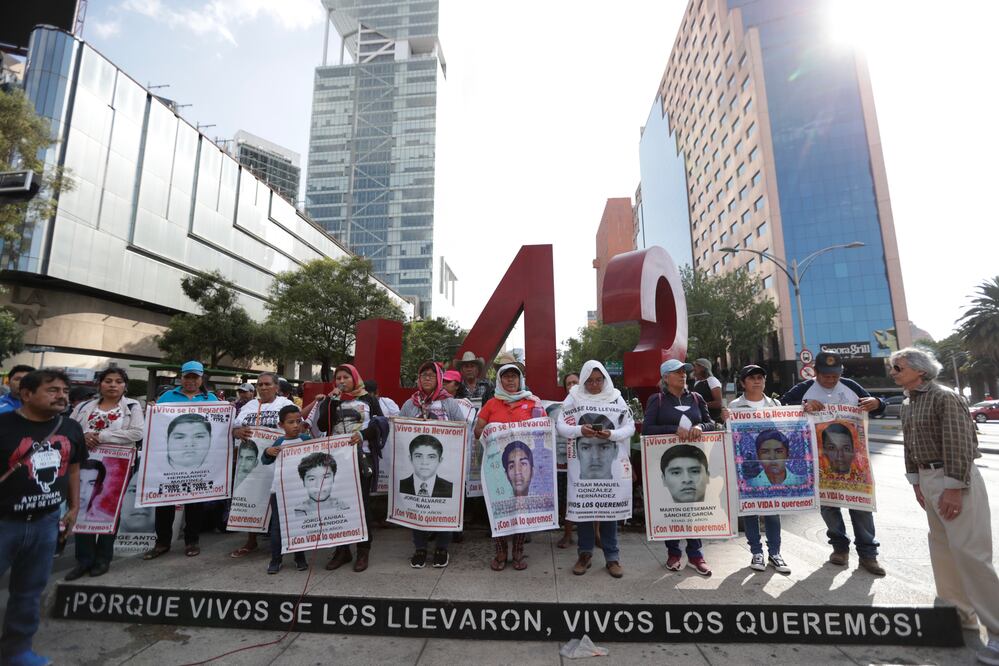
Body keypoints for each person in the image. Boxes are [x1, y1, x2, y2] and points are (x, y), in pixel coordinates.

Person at [891, 347, 999, 664]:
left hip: (954, 478)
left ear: (920, 370)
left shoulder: (944, 396)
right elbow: (911, 446)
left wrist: (954, 487)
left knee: (971, 555)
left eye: (898, 367)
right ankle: (958, 617)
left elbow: (960, 443)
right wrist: (915, 483)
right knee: (942, 551)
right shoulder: (909, 403)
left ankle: (996, 628)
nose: (893, 372)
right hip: (927, 479)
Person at [0, 369, 87, 666]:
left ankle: (17, 652)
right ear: (26, 394)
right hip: (4, 523)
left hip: (46, 523)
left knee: (28, 592)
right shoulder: (4, 425)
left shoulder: (71, 428)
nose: (61, 395)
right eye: (52, 390)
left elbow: (74, 469)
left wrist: (73, 508)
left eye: (64, 390)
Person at [781, 351, 886, 576]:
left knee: (861, 507)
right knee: (829, 506)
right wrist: (804, 406)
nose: (831, 380)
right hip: (821, 464)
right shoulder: (803, 390)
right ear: (816, 372)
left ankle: (869, 555)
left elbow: (877, 406)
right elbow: (781, 407)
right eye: (826, 375)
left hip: (855, 461)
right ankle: (839, 548)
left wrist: (877, 402)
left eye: (835, 375)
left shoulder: (850, 386)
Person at [556, 360, 634, 578]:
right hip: (582, 468)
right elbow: (561, 426)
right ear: (582, 380)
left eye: (598, 380)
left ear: (605, 379)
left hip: (611, 467)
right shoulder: (574, 397)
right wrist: (580, 429)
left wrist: (612, 434)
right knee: (584, 511)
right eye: (589, 380)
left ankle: (612, 557)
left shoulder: (616, 397)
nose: (594, 384)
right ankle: (585, 554)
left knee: (610, 512)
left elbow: (629, 427)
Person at [66, 367, 144, 580]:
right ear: (100, 384)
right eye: (108, 380)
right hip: (83, 463)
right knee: (82, 507)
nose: (112, 385)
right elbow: (69, 430)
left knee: (108, 508)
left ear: (124, 386)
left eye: (118, 381)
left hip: (117, 465)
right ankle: (84, 560)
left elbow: (137, 432)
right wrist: (84, 436)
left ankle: (103, 559)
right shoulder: (84, 406)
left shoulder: (132, 405)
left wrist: (101, 436)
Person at [642, 358, 717, 576]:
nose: (683, 374)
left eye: (685, 371)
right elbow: (647, 429)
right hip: (669, 464)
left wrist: (699, 427)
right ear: (666, 377)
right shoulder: (657, 400)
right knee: (672, 508)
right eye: (677, 372)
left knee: (693, 509)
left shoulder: (696, 397)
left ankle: (696, 555)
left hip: (695, 463)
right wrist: (673, 429)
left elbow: (711, 422)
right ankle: (673, 553)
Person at [143, 360, 219, 560]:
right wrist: (151, 411)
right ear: (181, 377)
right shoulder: (167, 396)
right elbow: (157, 426)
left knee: (195, 503)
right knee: (164, 501)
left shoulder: (211, 399)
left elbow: (220, 428)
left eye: (195, 377)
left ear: (201, 378)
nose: (191, 381)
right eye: (187, 377)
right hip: (169, 465)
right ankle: (162, 542)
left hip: (198, 464)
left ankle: (192, 541)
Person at [474, 363, 546, 572]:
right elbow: (478, 431)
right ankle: (500, 552)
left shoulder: (532, 401)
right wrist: (490, 431)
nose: (511, 380)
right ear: (499, 380)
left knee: (520, 509)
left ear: (521, 379)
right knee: (499, 510)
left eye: (514, 376)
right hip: (497, 468)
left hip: (522, 469)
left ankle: (517, 552)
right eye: (506, 377)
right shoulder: (491, 404)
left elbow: (542, 429)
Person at [311, 364, 381, 572]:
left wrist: (362, 435)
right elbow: (323, 425)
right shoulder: (332, 399)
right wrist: (331, 401)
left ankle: (363, 550)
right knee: (338, 504)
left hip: (362, 457)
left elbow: (380, 424)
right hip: (337, 459)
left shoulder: (369, 399)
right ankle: (342, 550)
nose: (341, 381)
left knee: (362, 504)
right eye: (338, 378)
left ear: (355, 379)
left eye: (345, 377)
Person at [400, 362, 468, 569]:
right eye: (423, 375)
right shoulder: (410, 404)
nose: (427, 378)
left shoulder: (449, 404)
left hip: (444, 465)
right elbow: (400, 430)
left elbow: (462, 428)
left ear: (439, 378)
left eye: (431, 375)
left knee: (443, 503)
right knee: (416, 503)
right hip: (416, 465)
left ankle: (442, 547)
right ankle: (420, 547)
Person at [724, 364, 791, 574]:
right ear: (743, 383)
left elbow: (785, 430)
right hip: (747, 468)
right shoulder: (734, 407)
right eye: (752, 378)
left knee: (772, 510)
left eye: (761, 377)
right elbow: (729, 437)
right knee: (750, 510)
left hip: (772, 468)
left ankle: (775, 553)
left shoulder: (775, 404)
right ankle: (756, 552)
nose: (757, 381)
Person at [229, 372, 293, 559]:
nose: (263, 388)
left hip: (277, 459)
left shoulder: (285, 405)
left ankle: (281, 540)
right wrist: (237, 431)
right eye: (260, 385)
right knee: (251, 497)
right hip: (251, 461)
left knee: (278, 501)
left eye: (267, 384)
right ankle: (251, 541)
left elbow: (297, 426)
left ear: (276, 387)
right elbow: (234, 429)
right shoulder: (249, 406)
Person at [260, 404, 309, 574]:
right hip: (279, 492)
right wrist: (268, 451)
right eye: (290, 422)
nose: (295, 425)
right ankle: (276, 559)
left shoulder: (306, 440)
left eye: (298, 421)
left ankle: (299, 556)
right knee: (277, 527)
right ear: (281, 425)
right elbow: (265, 461)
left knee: (299, 523)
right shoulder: (279, 442)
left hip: (300, 491)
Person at [555, 372, 580, 549]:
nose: (571, 386)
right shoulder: (561, 409)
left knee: (591, 499)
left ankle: (597, 534)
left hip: (586, 462)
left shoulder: (591, 405)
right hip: (565, 462)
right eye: (568, 383)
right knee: (567, 499)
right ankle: (568, 534)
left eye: (575, 382)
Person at [691, 358, 724, 423]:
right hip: (701, 419)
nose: (694, 369)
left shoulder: (712, 380)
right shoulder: (696, 383)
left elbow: (718, 403)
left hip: (713, 419)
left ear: (703, 368)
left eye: (696, 366)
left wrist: (702, 404)